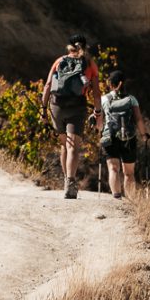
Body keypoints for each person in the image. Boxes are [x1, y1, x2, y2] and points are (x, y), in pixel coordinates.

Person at [42, 35, 102, 199]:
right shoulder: (89, 63)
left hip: (57, 106)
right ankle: (70, 182)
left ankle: (66, 182)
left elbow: (48, 85)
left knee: (64, 144)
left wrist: (43, 110)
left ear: (69, 47)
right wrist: (97, 113)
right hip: (77, 106)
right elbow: (96, 93)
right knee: (73, 146)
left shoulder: (59, 61)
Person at [100, 71, 147, 198]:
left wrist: (99, 131)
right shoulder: (131, 99)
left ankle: (117, 197)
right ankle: (130, 201)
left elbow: (99, 121)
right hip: (129, 137)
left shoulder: (104, 99)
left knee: (113, 169)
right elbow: (138, 119)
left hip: (110, 137)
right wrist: (144, 135)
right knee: (129, 173)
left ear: (110, 84)